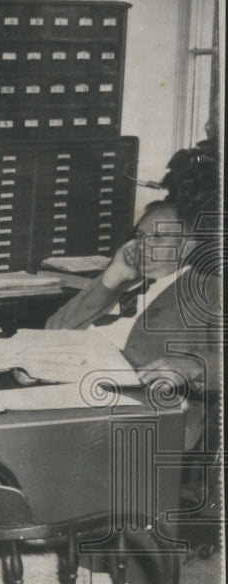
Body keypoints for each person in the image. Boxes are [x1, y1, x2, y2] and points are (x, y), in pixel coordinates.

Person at [46, 143, 221, 449]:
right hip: (78, 399)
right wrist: (111, 279)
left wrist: (192, 366)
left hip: (151, 418)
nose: (143, 246)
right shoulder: (126, 283)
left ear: (189, 246)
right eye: (139, 237)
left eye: (158, 237)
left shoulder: (208, 288)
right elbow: (52, 335)